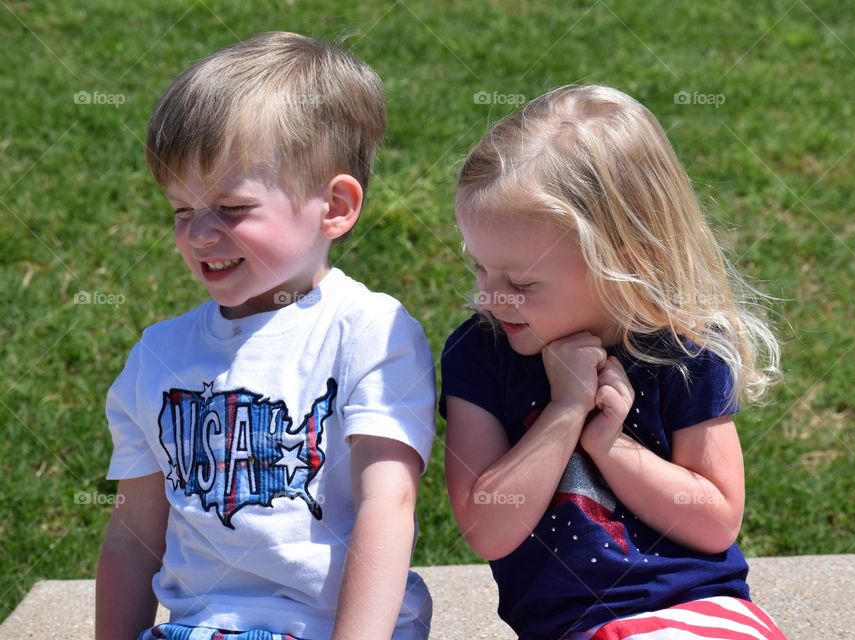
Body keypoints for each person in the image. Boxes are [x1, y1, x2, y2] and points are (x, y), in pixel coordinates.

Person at [96, 32, 435, 640]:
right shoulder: (157, 357)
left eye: (231, 208)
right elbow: (131, 536)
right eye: (180, 210)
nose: (199, 235)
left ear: (334, 206)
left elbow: (389, 508)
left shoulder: (369, 332)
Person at [441, 84, 786, 640]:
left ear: (623, 262)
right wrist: (565, 409)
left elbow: (715, 522)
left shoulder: (685, 351)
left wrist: (607, 442)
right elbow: (488, 528)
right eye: (480, 267)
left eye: (521, 281)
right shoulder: (481, 353)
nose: (490, 296)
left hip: (702, 610)